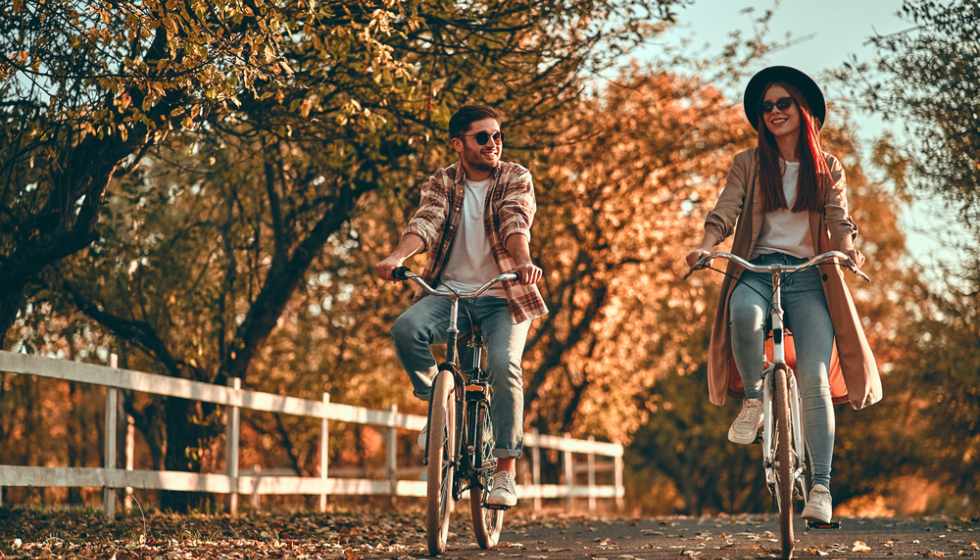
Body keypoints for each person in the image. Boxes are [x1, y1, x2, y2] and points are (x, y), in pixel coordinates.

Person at [685, 66, 883, 523]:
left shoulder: (827, 167)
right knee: (745, 317)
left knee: (813, 379)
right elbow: (725, 210)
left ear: (802, 110)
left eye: (782, 104)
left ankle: (820, 488)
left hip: (811, 277)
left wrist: (849, 252)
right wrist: (706, 244)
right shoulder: (748, 163)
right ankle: (755, 398)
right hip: (758, 267)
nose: (773, 112)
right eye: (767, 106)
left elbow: (839, 219)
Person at [375, 105, 547, 508]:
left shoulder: (514, 177)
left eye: (498, 136)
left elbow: (514, 220)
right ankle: (440, 414)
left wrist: (523, 263)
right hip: (448, 293)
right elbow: (426, 223)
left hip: (503, 295)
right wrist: (397, 257)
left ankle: (505, 472)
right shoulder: (443, 182)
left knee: (504, 366)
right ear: (458, 144)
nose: (493, 144)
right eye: (482, 137)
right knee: (405, 330)